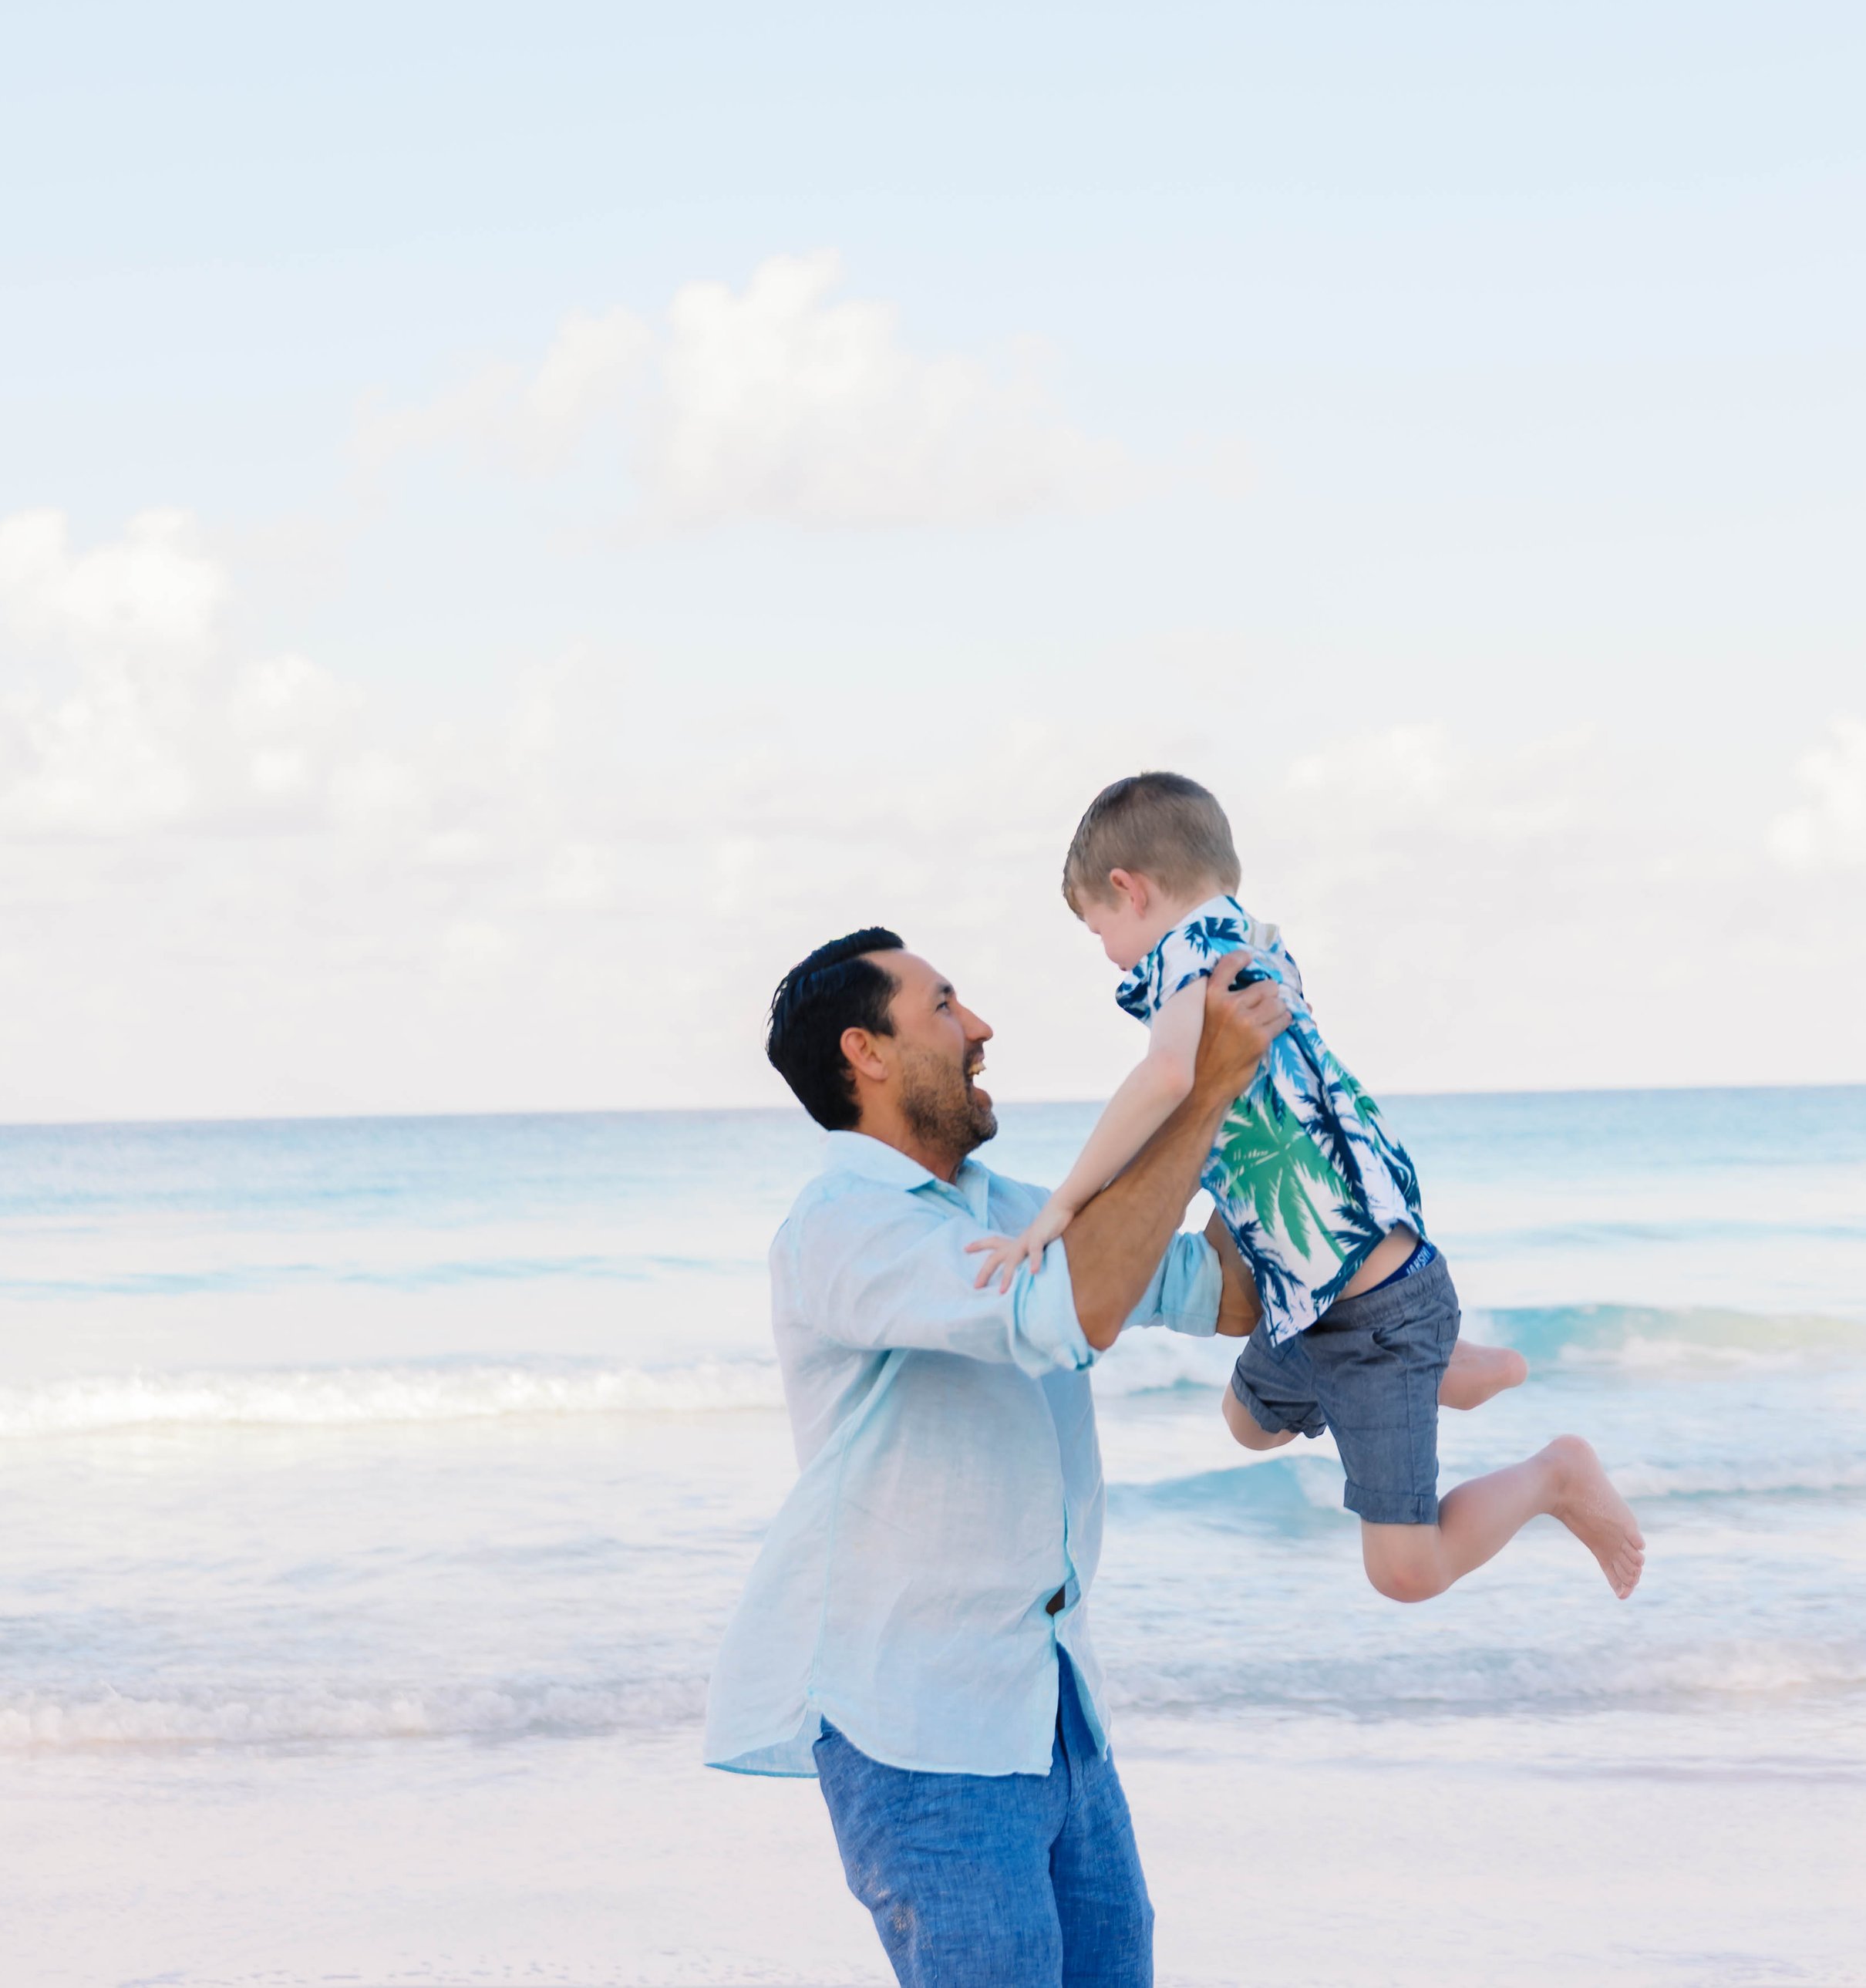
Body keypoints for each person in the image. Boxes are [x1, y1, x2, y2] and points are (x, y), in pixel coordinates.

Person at [704, 922, 1291, 1988]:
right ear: (866, 1053)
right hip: (922, 1731)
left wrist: (1274, 1099)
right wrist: (1196, 1093)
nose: (980, 1028)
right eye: (944, 1006)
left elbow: (1223, 1291)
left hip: (1055, 1711)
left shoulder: (1015, 1210)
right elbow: (1069, 1308)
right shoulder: (842, 1228)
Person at [968, 771, 1646, 1606]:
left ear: (1128, 890)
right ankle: (1446, 1366)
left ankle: (1555, 1473)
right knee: (1247, 1421)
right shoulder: (1259, 942)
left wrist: (1060, 1206)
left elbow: (1164, 1080)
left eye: (1096, 926)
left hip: (1374, 1311)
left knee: (1404, 1571)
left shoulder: (1189, 957)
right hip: (1319, 1297)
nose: (1106, 951)